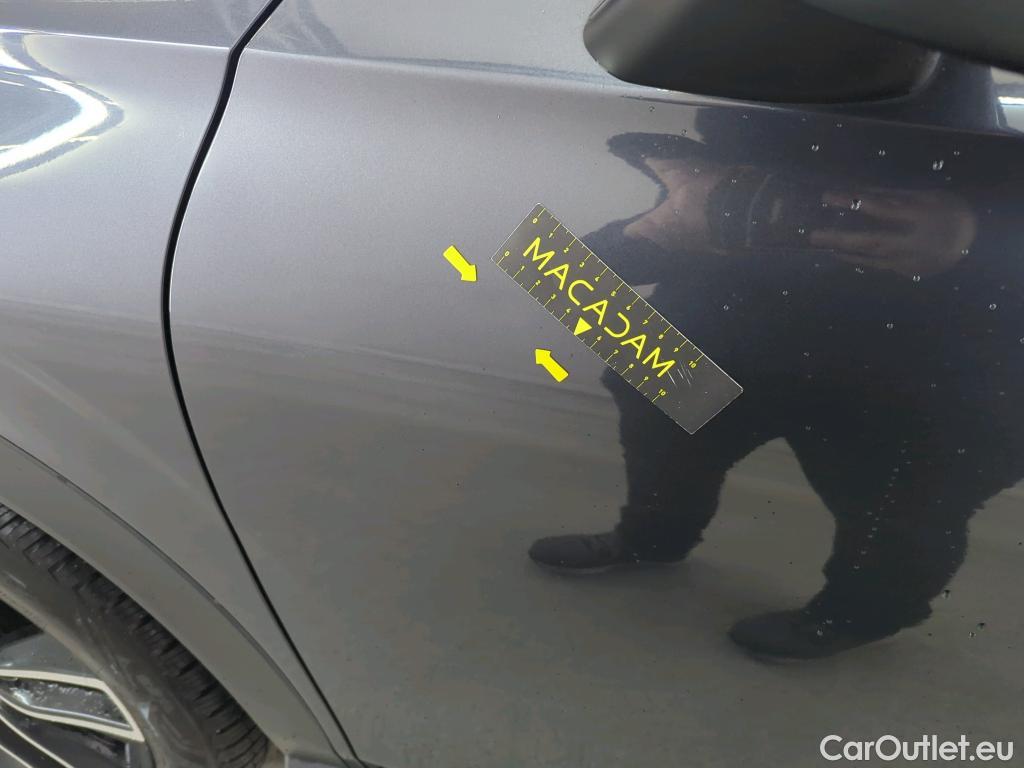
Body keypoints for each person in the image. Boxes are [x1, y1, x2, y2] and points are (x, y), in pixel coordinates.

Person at [528, 60, 1024, 658]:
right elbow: (562, 276)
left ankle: (858, 616)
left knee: (896, 511)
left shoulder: (996, 176)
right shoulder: (725, 156)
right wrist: (653, 231)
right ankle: (650, 539)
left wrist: (976, 242)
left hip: (904, 381)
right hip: (721, 338)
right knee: (660, 449)